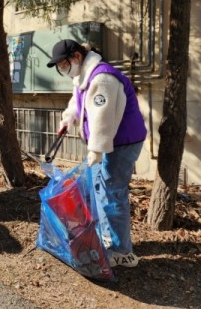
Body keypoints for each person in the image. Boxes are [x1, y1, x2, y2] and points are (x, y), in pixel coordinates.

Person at [47, 39, 147, 268]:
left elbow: (102, 119)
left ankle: (123, 252)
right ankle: (109, 237)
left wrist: (96, 150)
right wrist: (68, 118)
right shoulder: (84, 75)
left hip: (123, 141)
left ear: (76, 57)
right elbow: (77, 101)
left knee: (112, 193)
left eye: (63, 64)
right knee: (100, 190)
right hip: (109, 142)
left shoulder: (102, 78)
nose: (63, 70)